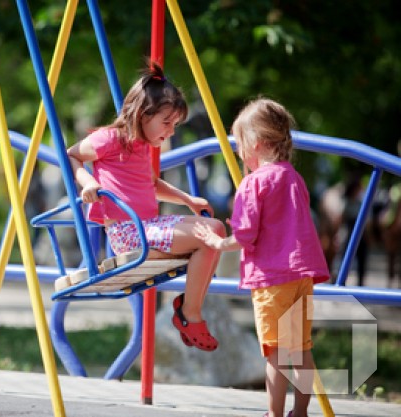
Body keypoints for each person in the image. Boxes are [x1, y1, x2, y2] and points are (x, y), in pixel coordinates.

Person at [67, 62, 226, 351]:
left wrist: (188, 200)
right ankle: (189, 313)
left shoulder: (142, 145)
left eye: (175, 125)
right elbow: (72, 155)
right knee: (209, 234)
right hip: (129, 234)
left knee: (215, 231)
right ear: (143, 114)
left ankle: (188, 309)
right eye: (167, 123)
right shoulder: (111, 138)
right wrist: (87, 182)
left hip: (146, 228)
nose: (170, 131)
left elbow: (151, 185)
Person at [192, 97, 330, 417]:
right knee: (301, 349)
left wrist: (216, 240)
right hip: (301, 275)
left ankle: (274, 413)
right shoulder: (293, 177)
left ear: (257, 143)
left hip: (271, 279)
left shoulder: (253, 183)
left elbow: (244, 236)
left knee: (275, 354)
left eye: (241, 143)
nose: (240, 151)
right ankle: (301, 412)